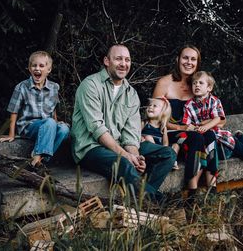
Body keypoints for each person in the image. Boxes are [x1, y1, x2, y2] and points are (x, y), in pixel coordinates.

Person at [71, 44, 176, 202]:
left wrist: (135, 156)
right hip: (91, 147)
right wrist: (125, 155)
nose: (123, 63)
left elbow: (131, 133)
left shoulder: (131, 94)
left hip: (119, 145)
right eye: (118, 59)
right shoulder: (90, 85)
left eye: (127, 60)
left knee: (168, 154)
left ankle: (138, 203)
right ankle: (160, 204)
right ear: (107, 61)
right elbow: (97, 129)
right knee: (123, 163)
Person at [153, 45, 224, 201]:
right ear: (178, 60)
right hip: (168, 133)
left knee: (208, 136)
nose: (189, 62)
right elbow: (155, 119)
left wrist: (201, 126)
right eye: (185, 58)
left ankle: (211, 190)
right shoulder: (165, 83)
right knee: (197, 138)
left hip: (194, 133)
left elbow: (218, 118)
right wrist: (181, 127)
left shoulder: (199, 85)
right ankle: (191, 195)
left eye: (193, 59)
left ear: (197, 63)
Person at [0, 51, 70, 174]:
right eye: (34, 66)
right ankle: (36, 160)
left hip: (48, 124)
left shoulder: (54, 87)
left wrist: (57, 122)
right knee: (50, 123)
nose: (37, 68)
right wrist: (11, 134)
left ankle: (40, 159)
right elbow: (13, 112)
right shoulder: (21, 87)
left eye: (41, 66)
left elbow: (53, 109)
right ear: (29, 69)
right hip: (29, 126)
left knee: (64, 129)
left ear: (49, 69)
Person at [184, 71, 243, 162]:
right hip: (204, 140)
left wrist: (205, 126)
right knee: (216, 154)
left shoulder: (214, 101)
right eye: (194, 83)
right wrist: (194, 127)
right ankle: (230, 151)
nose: (197, 85)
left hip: (221, 137)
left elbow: (218, 118)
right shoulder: (188, 105)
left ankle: (242, 137)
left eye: (200, 83)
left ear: (209, 88)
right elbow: (187, 124)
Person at [141, 97, 180, 170]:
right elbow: (136, 134)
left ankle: (171, 161)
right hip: (149, 150)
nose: (150, 107)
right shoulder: (144, 123)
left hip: (161, 149)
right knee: (149, 137)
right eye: (149, 105)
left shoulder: (163, 127)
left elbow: (165, 143)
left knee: (175, 145)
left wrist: (165, 149)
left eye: (154, 106)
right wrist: (142, 137)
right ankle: (158, 159)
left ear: (163, 112)